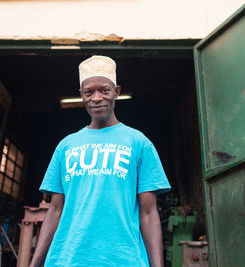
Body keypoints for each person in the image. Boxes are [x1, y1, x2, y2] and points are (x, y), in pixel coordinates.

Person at [30, 55, 171, 267]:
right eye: (89, 92)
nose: (97, 98)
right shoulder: (66, 146)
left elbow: (149, 212)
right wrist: (34, 264)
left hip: (124, 259)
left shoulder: (138, 143)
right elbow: (55, 210)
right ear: (81, 96)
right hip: (67, 260)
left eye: (104, 90)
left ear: (117, 92)